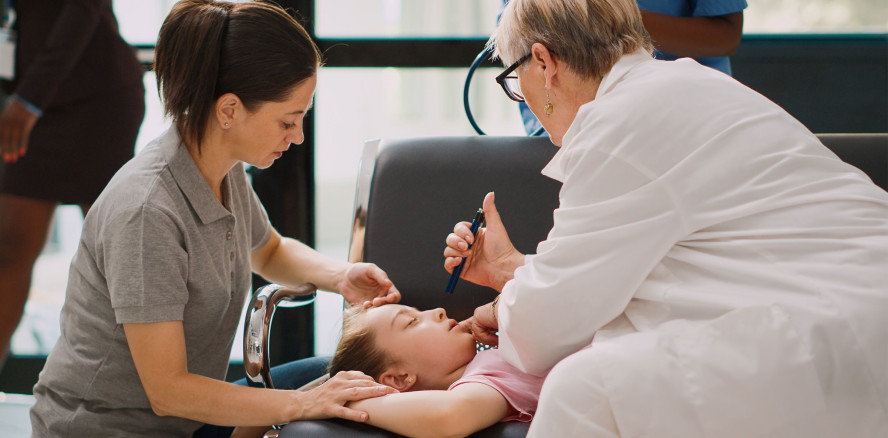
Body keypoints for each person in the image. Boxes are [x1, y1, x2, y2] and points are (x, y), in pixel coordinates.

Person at [444, 0, 888, 437]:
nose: (521, 95)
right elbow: (627, 273)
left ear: (543, 62)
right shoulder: (686, 85)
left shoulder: (619, 124)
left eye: (514, 79)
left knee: (583, 392)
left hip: (845, 326)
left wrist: (501, 306)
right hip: (853, 300)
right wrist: (512, 272)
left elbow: (546, 328)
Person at [29, 1, 401, 437]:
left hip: (186, 421)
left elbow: (270, 251)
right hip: (112, 430)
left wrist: (341, 277)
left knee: (360, 379)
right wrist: (302, 403)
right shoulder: (147, 212)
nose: (298, 136)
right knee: (334, 397)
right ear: (228, 111)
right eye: (287, 121)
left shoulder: (222, 169)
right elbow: (167, 391)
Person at [0, 0, 145, 367]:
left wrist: (29, 100)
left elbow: (83, 10)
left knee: (113, 255)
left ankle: (140, 380)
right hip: (28, 100)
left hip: (94, 99)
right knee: (11, 248)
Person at [238, 303, 546, 438]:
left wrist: (342, 400)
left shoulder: (496, 361)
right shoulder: (487, 369)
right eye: (412, 321)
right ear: (399, 379)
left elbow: (452, 416)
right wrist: (322, 398)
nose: (438, 310)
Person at [515, 0, 745, 133]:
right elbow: (518, 43)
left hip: (687, 123)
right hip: (568, 127)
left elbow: (726, 33)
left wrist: (608, 19)